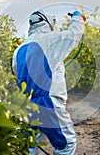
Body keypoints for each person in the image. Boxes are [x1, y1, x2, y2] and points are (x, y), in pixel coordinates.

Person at [12, 10, 85, 154]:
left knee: (28, 145)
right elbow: (74, 34)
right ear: (47, 23)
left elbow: (17, 72)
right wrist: (77, 18)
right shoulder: (51, 39)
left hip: (27, 105)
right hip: (49, 102)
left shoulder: (18, 50)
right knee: (66, 145)